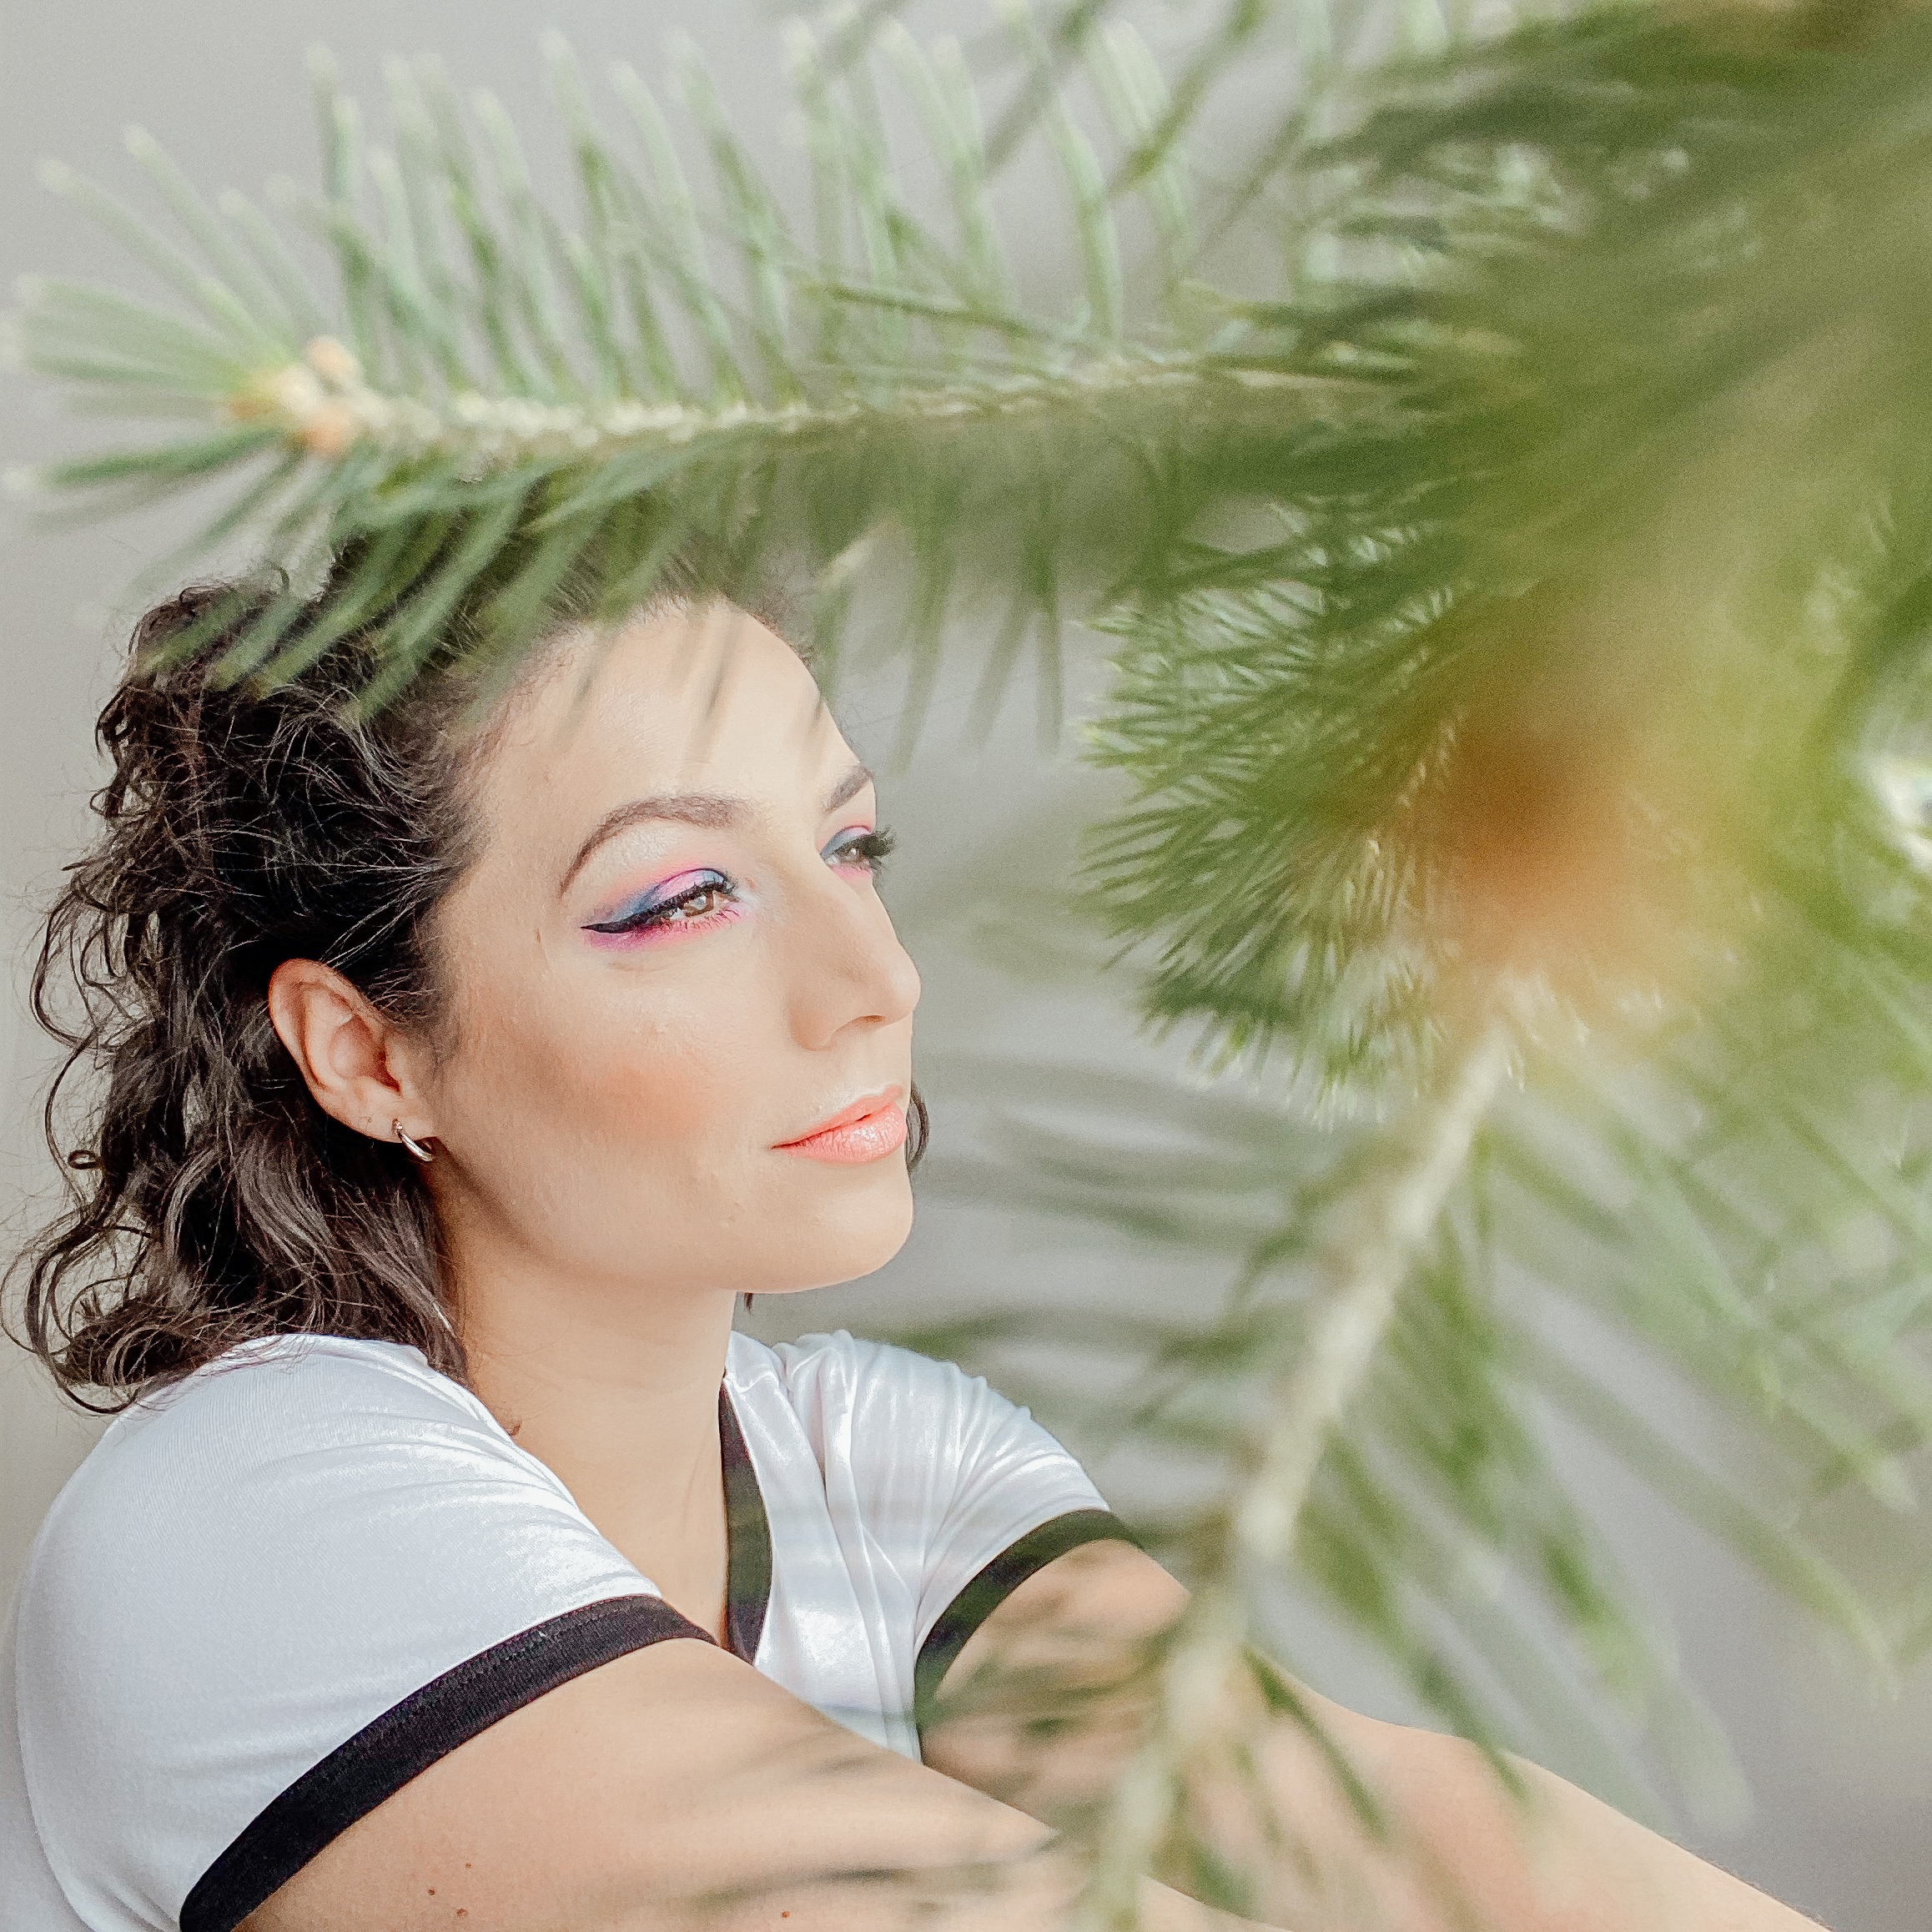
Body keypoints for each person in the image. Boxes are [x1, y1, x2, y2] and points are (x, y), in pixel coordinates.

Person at [2, 574, 1826, 1932]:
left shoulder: (888, 1468)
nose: (879, 981)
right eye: (681, 897)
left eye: (850, 846)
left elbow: (1382, 1838)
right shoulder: (245, 1520)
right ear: (370, 1051)